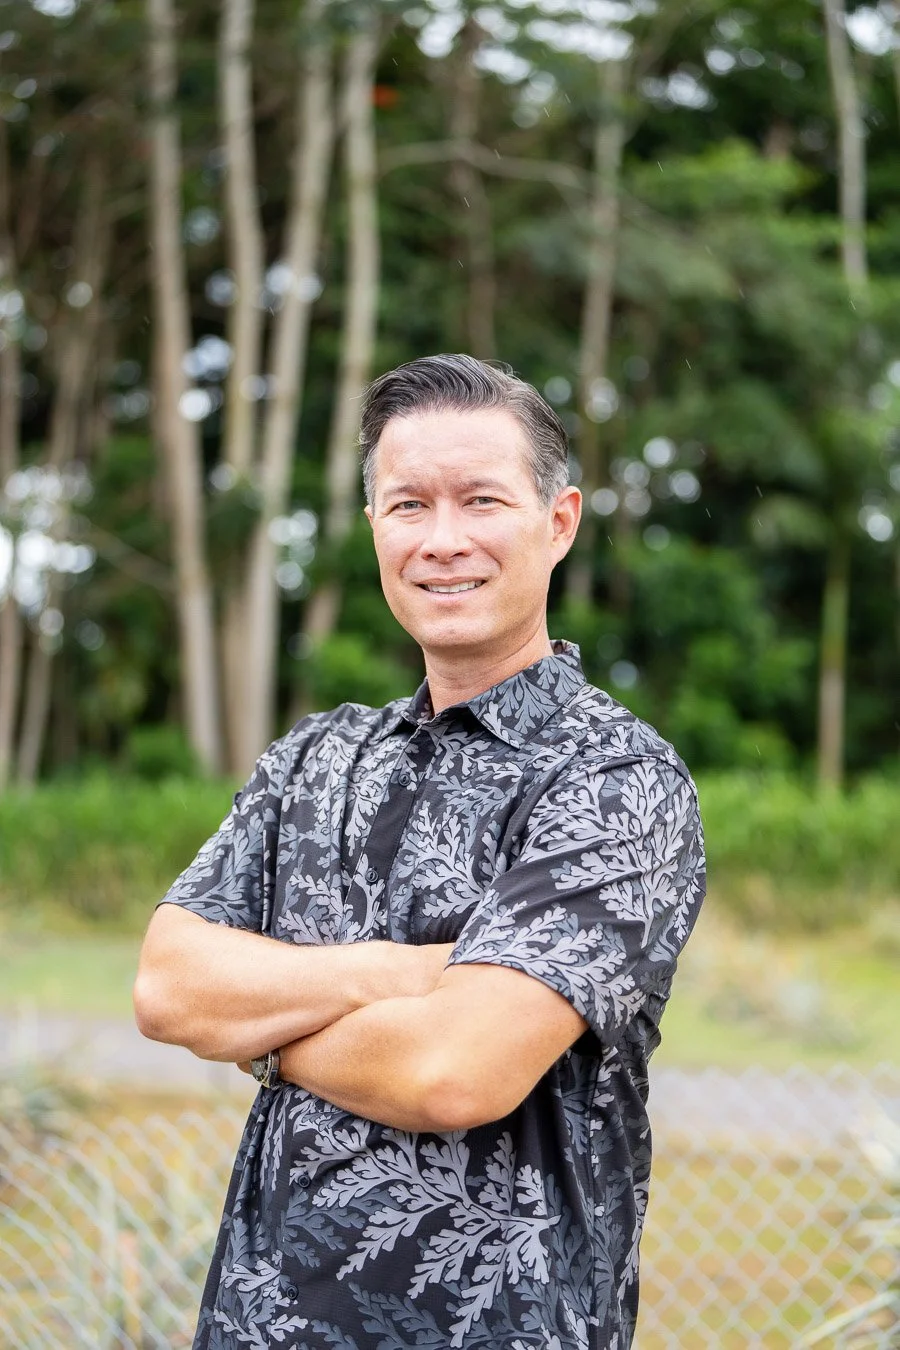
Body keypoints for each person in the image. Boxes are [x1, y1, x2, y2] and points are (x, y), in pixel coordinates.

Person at [134, 353, 706, 1350]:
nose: (443, 541)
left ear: (558, 521)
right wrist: (397, 975)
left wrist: (255, 1028)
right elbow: (168, 986)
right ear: (373, 530)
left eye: (481, 500)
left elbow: (454, 1073)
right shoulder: (314, 759)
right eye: (409, 506)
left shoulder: (614, 781)